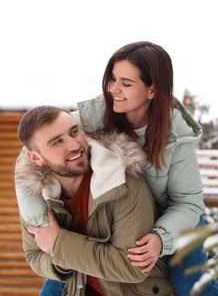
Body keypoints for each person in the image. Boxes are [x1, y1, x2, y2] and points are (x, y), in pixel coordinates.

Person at [37, 41, 218, 296]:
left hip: (174, 219)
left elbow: (189, 203)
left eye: (126, 83)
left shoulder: (175, 135)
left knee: (189, 284)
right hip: (116, 217)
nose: (114, 89)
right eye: (112, 79)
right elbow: (32, 150)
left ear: (152, 90)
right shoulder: (93, 118)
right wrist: (38, 218)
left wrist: (162, 238)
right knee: (56, 285)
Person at [15, 106, 177, 295]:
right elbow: (34, 255)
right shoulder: (36, 195)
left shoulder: (121, 182)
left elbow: (132, 267)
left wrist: (59, 245)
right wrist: (61, 263)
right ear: (35, 158)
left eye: (74, 132)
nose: (74, 145)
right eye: (57, 142)